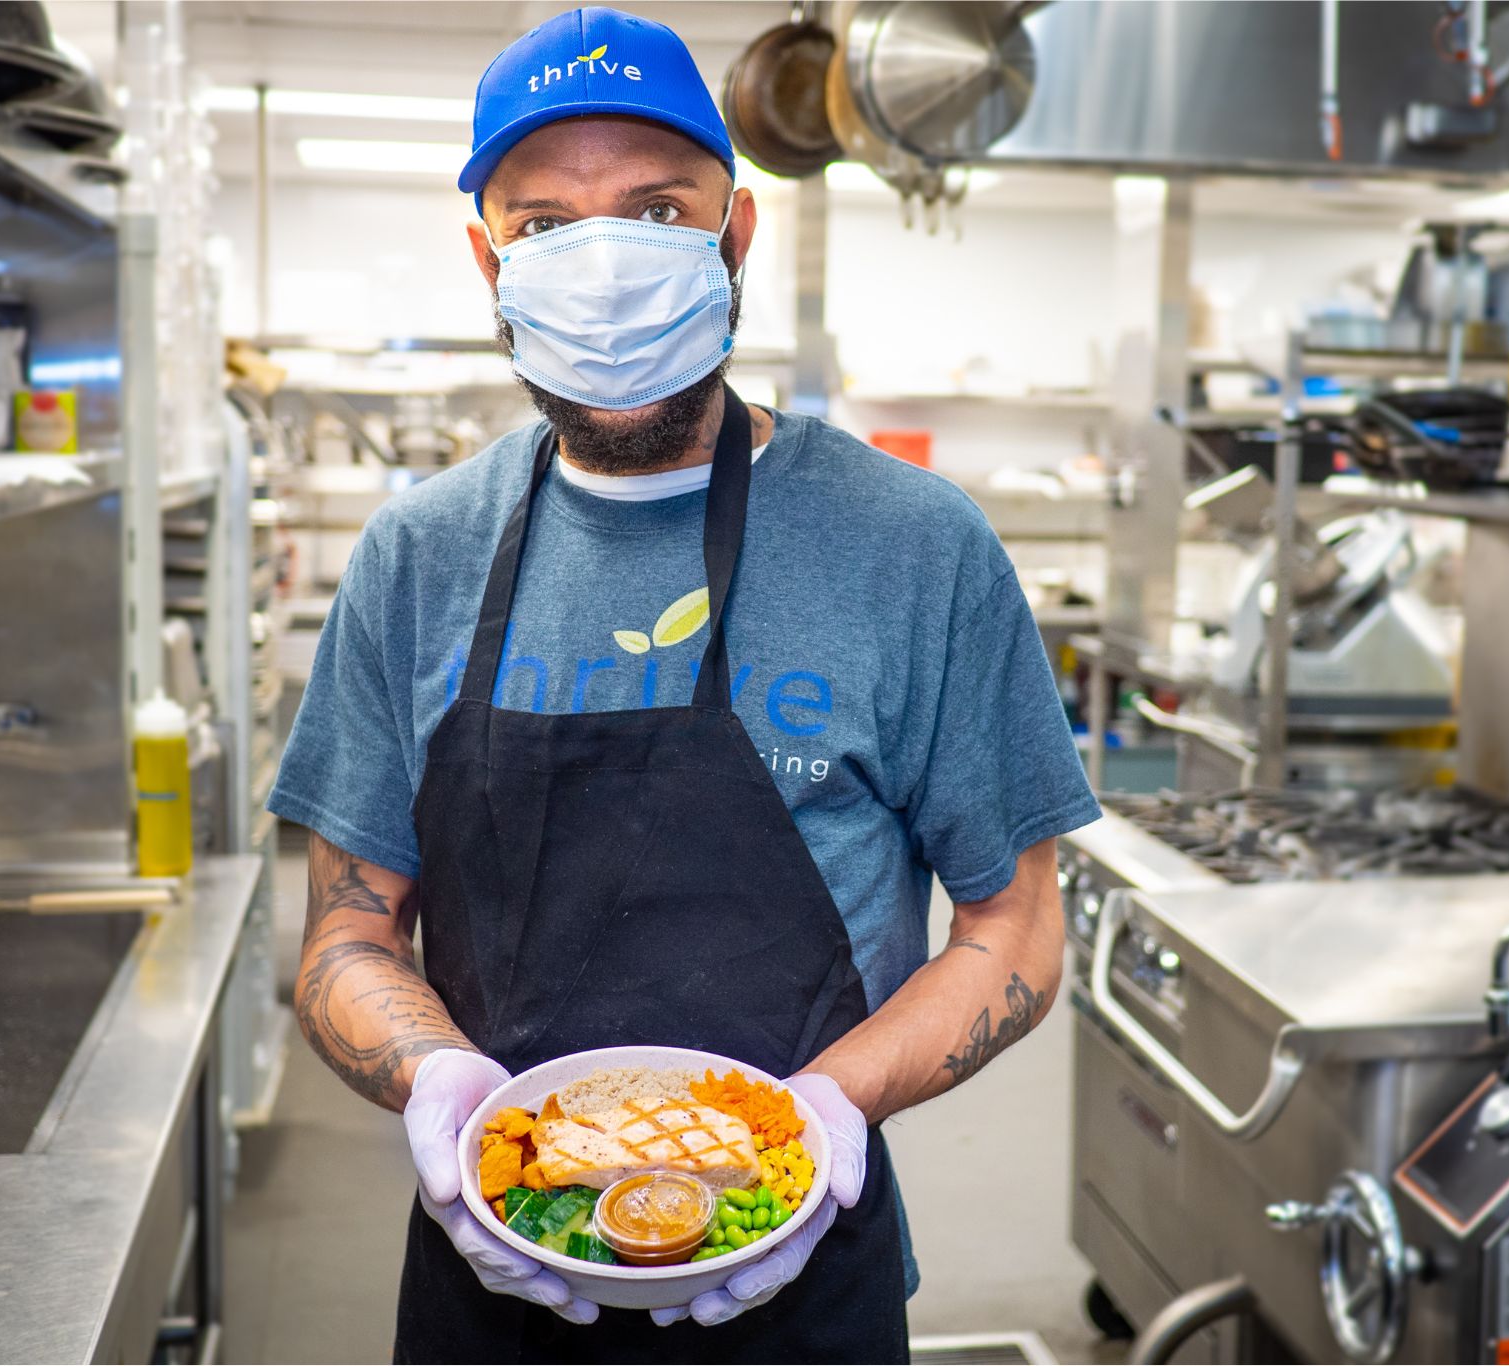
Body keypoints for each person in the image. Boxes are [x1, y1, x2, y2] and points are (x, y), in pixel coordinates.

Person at [267, 7, 1101, 1361]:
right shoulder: (414, 558)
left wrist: (832, 1106)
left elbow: (1016, 927)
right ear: (487, 262)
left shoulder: (913, 547)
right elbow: (348, 934)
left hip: (808, 1276)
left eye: (655, 209)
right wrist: (443, 1086)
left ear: (735, 234)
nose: (601, 267)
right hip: (491, 1269)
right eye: (543, 226)